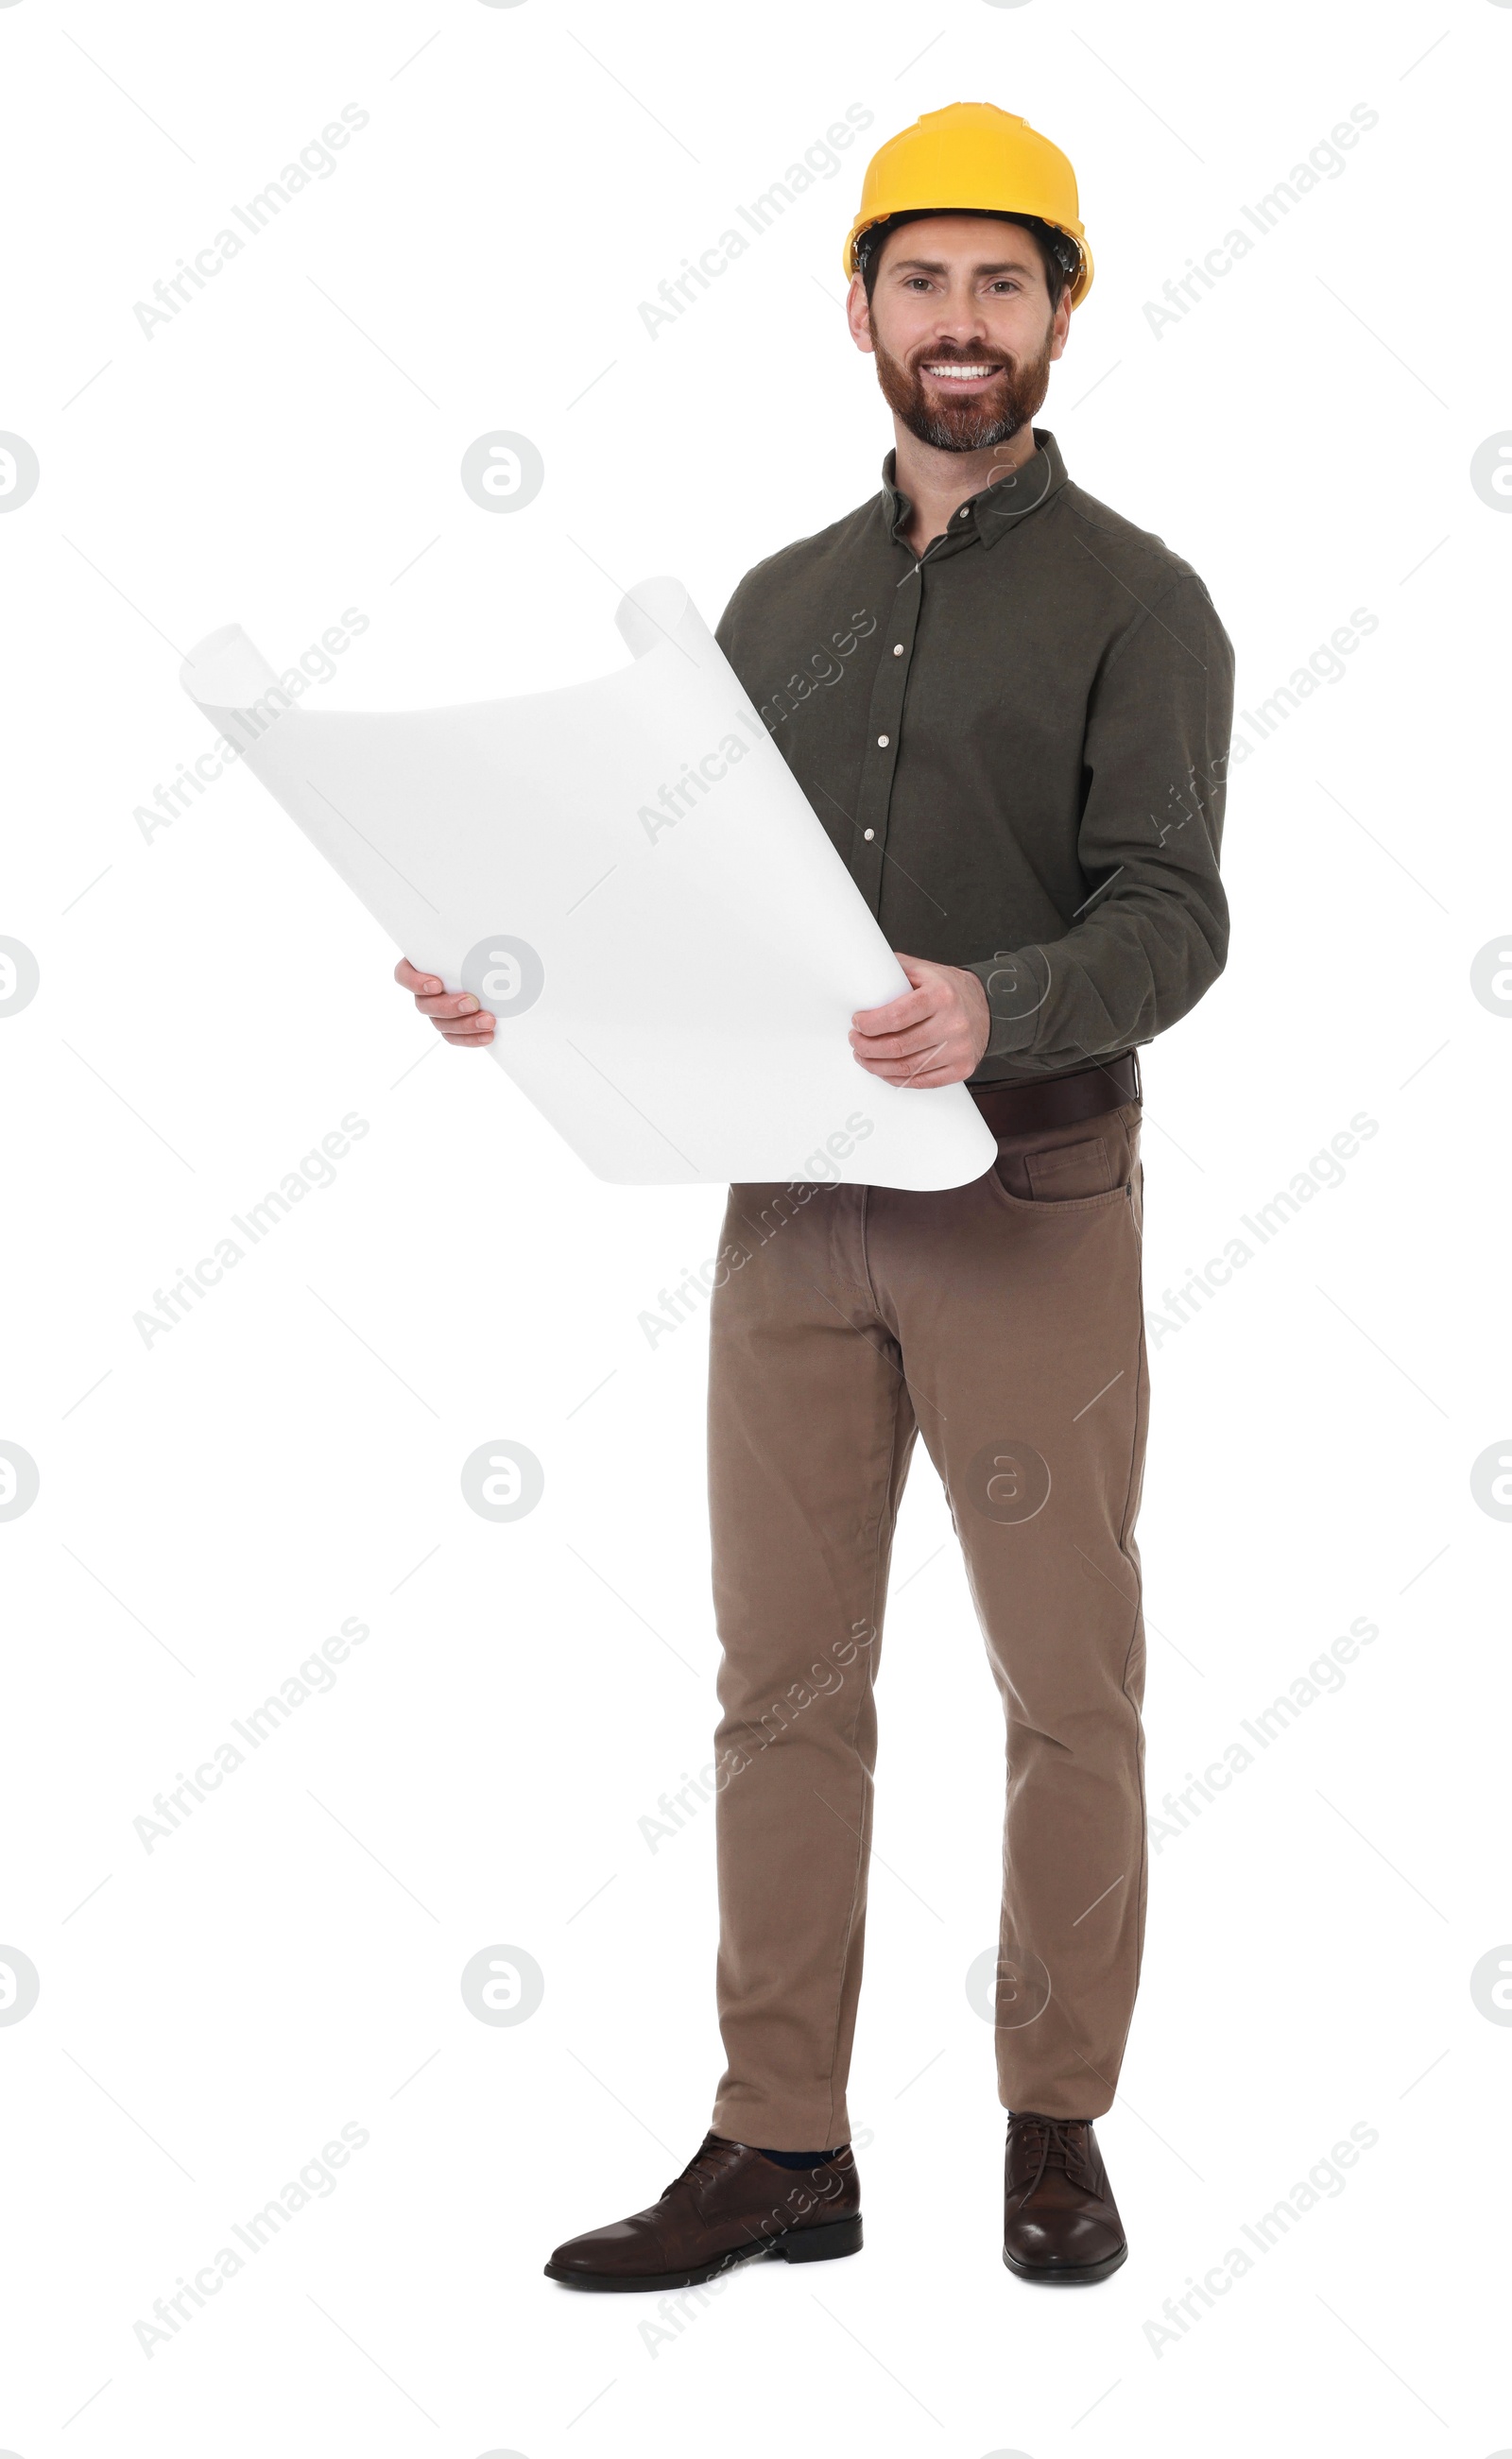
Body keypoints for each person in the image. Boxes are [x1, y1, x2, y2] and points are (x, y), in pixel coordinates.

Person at [397, 100, 1233, 2291]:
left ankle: (1051, 2118)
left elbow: (1174, 911)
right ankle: (780, 2144)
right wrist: (528, 970)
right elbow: (701, 898)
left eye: (1000, 282)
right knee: (777, 1681)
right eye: (920, 280)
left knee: (1067, 1683)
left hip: (1024, 1191)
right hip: (787, 1207)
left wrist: (1004, 999)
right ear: (855, 307)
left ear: (1061, 311)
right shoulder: (779, 604)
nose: (958, 326)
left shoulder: (1140, 602)